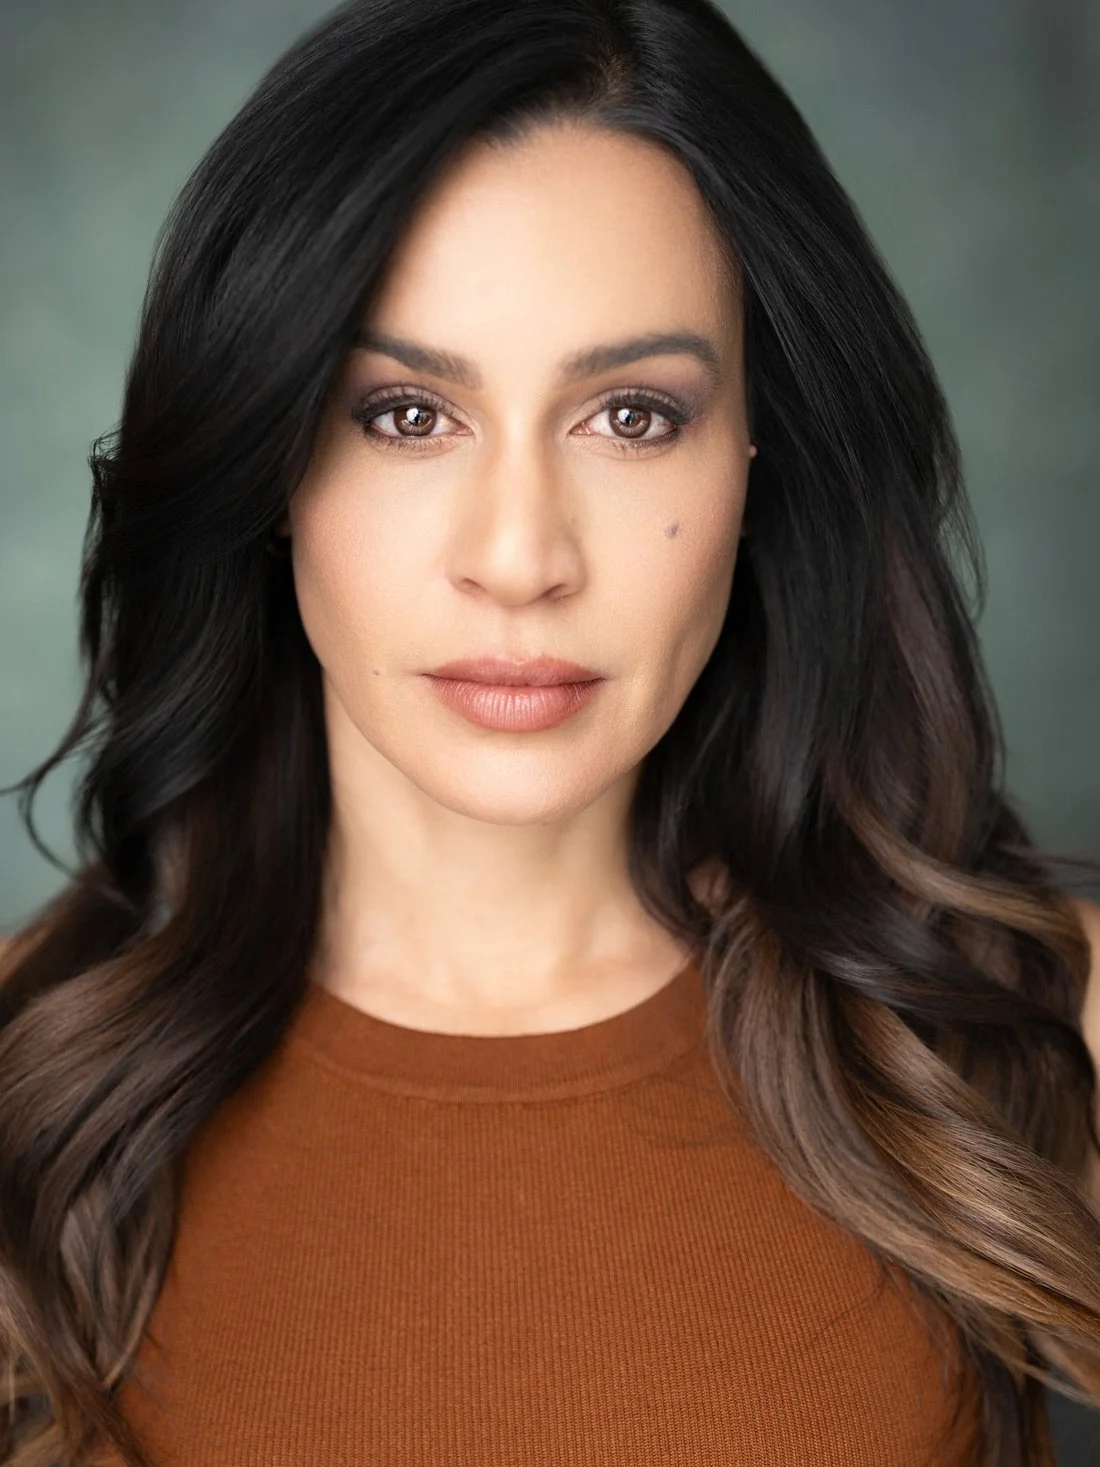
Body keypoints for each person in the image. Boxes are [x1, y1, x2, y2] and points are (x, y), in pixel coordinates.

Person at [2, 0, 1100, 1463]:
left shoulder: (1032, 1032)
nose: (520, 555)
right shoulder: (32, 1086)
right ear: (268, 457)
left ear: (759, 453)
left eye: (633, 414)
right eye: (403, 414)